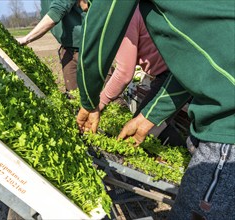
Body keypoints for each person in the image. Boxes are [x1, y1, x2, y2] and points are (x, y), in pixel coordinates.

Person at [76, 0, 235, 219]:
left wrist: (89, 100)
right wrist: (147, 117)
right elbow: (196, 65)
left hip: (228, 126)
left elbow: (102, 23)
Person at [98, 6, 186, 146]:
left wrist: (98, 103)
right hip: (172, 71)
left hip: (173, 74)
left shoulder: (124, 16)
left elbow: (124, 73)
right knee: (150, 122)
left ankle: (186, 157)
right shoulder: (136, 8)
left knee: (145, 128)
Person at [17, 0, 88, 92]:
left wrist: (26, 39)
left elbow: (56, 12)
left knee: (102, 96)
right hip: (67, 49)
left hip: (87, 46)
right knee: (74, 96)